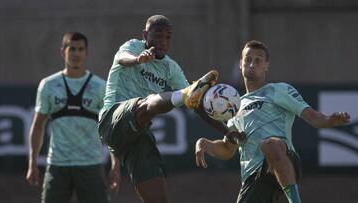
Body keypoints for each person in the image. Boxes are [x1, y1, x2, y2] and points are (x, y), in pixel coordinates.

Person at [195, 40, 351, 203]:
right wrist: (206, 144)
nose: (252, 64)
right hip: (253, 176)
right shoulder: (235, 107)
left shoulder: (279, 90)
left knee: (270, 145)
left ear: (266, 65)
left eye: (258, 60)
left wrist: (329, 120)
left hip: (284, 159)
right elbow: (228, 149)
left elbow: (313, 117)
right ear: (241, 64)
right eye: (248, 59)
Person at [98, 14, 232, 203]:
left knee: (158, 197)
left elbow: (197, 106)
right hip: (112, 120)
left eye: (167, 37)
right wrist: (138, 59)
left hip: (138, 133)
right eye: (158, 36)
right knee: (146, 104)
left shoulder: (171, 67)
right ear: (145, 34)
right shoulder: (133, 47)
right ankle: (183, 94)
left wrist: (227, 131)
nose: (163, 41)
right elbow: (123, 59)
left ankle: (184, 94)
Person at [26, 31, 120, 203]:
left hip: (90, 164)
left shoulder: (100, 87)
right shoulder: (48, 85)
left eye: (80, 49)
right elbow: (38, 125)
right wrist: (32, 162)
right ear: (63, 52)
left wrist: (115, 164)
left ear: (86, 52)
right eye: (72, 49)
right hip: (57, 166)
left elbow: (109, 128)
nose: (76, 54)